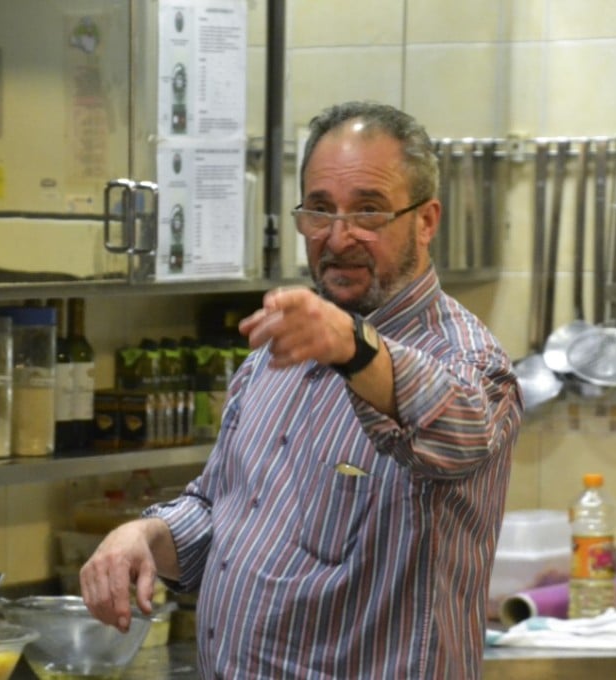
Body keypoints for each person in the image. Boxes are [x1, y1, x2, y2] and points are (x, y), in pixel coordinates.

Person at [79, 101, 524, 679]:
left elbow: (459, 432)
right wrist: (144, 534)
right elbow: (224, 511)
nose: (338, 238)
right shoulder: (276, 353)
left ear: (426, 220)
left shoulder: (470, 358)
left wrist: (354, 348)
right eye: (319, 210)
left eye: (368, 211)